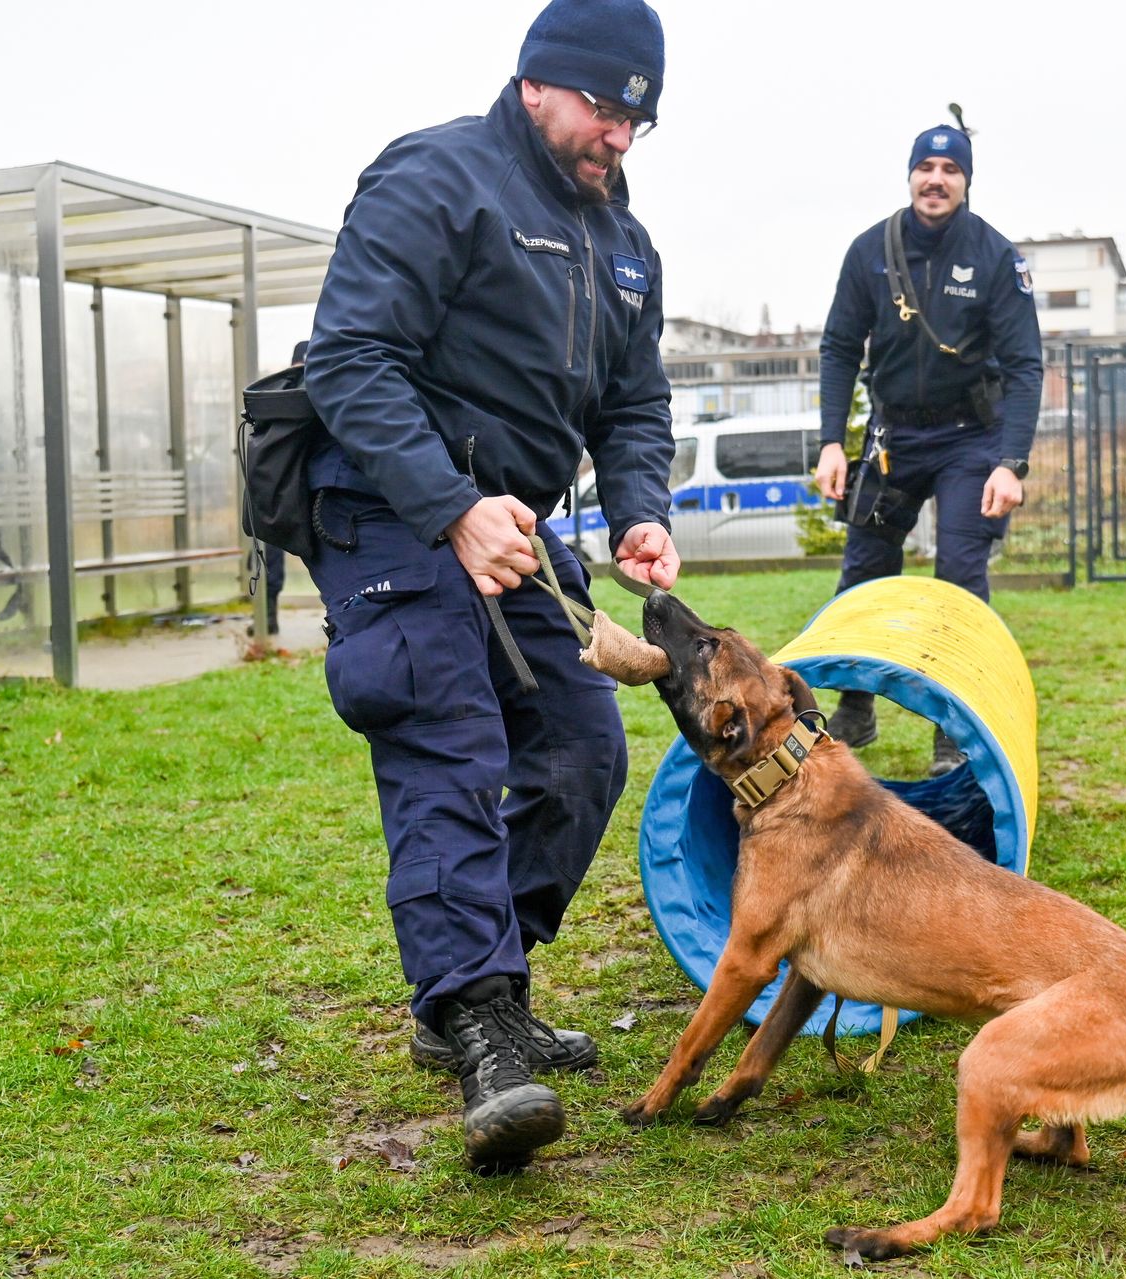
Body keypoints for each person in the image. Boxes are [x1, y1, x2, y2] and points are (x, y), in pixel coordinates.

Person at [300, 0, 679, 1171]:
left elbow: (633, 404)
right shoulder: (439, 178)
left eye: (640, 118)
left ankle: (479, 988)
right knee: (450, 734)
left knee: (581, 747)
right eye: (606, 108)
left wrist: (642, 507)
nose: (620, 135)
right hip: (390, 506)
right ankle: (479, 1024)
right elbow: (348, 360)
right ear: (535, 84)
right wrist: (447, 507)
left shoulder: (625, 246)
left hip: (510, 517)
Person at [813, 123, 1043, 776]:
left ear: (966, 182)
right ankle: (854, 705)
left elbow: (1025, 365)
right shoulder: (869, 252)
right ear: (910, 175)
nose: (936, 178)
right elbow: (837, 348)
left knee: (961, 575)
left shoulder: (996, 258)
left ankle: (953, 724)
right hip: (892, 437)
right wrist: (833, 440)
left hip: (971, 440)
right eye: (926, 167)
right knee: (865, 569)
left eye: (950, 168)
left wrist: (1011, 461)